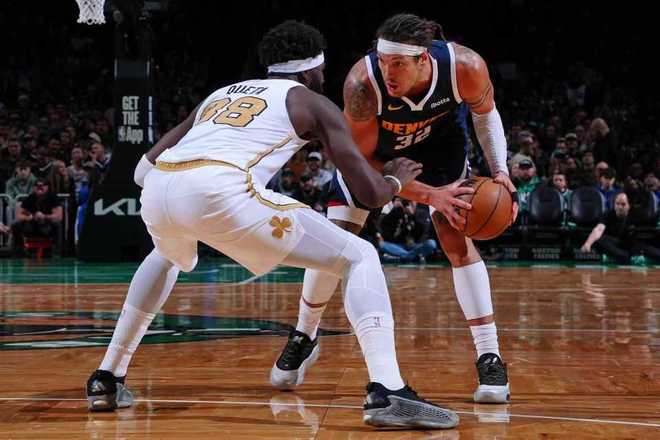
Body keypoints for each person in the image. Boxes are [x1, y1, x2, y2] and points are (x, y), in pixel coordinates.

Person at [85, 20, 459, 429]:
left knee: (166, 256)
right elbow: (370, 195)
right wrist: (394, 181)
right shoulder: (312, 103)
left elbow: (141, 171)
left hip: (159, 189)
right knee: (359, 255)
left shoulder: (220, 95)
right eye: (321, 71)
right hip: (219, 188)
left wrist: (185, 199)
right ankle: (388, 390)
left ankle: (107, 376)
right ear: (311, 70)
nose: (323, 77)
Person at [271, 13, 517, 404]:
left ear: (424, 59)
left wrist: (500, 172)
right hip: (377, 158)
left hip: (440, 150)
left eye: (398, 63)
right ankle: (305, 333)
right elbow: (361, 162)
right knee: (335, 241)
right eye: (383, 60)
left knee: (455, 238)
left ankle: (490, 355)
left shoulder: (465, 67)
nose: (388, 71)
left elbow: (485, 116)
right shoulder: (362, 84)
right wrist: (429, 195)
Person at [580, 192, 660, 264]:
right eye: (617, 204)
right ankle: (626, 257)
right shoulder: (608, 214)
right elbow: (599, 229)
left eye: (623, 204)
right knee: (599, 240)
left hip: (632, 244)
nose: (619, 207)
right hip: (615, 244)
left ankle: (623, 257)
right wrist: (588, 243)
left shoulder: (636, 214)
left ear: (629, 206)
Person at [10, 178, 63, 255]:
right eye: (37, 186)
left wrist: (44, 216)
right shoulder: (30, 197)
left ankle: (56, 251)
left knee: (57, 224)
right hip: (31, 226)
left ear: (47, 187)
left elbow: (59, 216)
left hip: (46, 227)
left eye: (42, 186)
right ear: (34, 187)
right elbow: (19, 215)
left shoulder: (53, 197)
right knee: (15, 224)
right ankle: (18, 250)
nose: (39, 188)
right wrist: (30, 217)